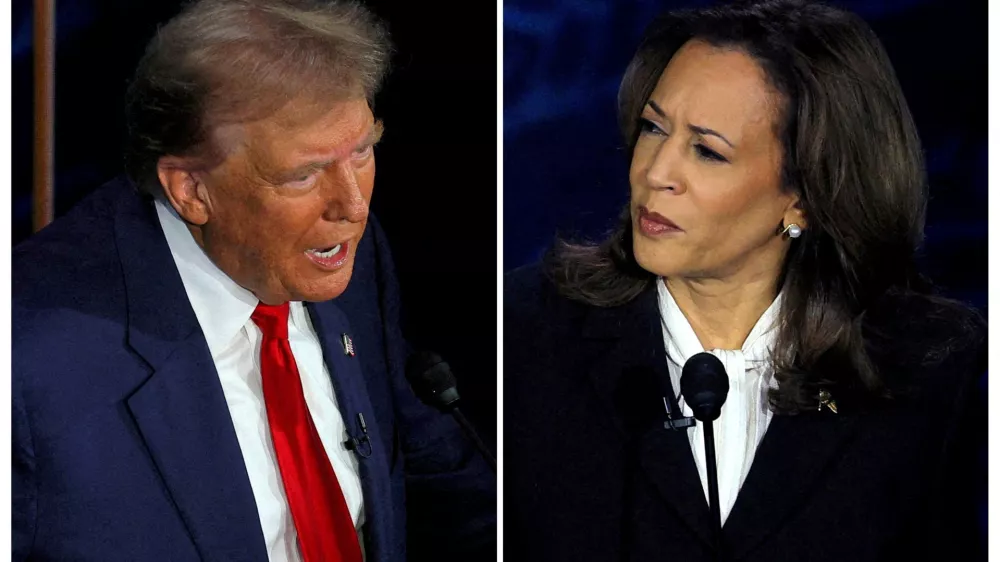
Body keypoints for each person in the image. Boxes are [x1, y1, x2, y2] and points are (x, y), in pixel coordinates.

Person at [12, 1, 495, 561]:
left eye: (362, 151)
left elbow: (442, 482)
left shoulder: (342, 258)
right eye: (304, 174)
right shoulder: (31, 366)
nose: (354, 206)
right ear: (192, 191)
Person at [504, 1, 985, 561]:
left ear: (804, 196)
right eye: (654, 128)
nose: (656, 173)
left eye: (708, 151)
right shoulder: (524, 333)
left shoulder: (930, 368)